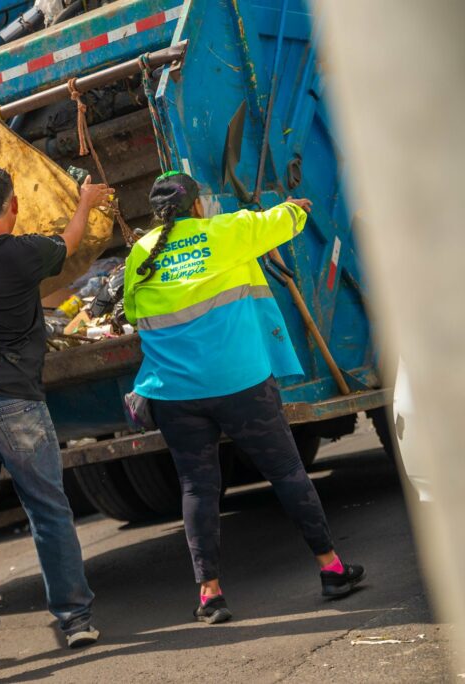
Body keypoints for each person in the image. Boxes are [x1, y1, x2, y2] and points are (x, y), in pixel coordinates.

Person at [122, 171, 366, 624]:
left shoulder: (139, 254)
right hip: (241, 383)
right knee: (288, 472)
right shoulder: (225, 231)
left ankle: (210, 596)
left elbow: (136, 316)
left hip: (174, 393)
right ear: (197, 206)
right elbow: (284, 220)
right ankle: (331, 569)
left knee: (198, 488)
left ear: (157, 214)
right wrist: (296, 206)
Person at [0, 76, 111, 683]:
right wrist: (85, 202)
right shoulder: (30, 253)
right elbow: (72, 239)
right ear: (11, 207)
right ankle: (75, 618)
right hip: (17, 403)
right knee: (48, 509)